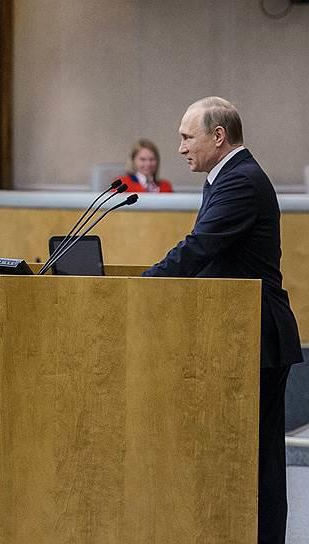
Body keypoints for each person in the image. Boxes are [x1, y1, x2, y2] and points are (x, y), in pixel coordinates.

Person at [142, 97, 302, 544]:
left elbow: (198, 248)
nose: (180, 148)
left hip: (255, 334)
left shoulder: (241, 181)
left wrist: (142, 285)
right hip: (239, 332)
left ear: (218, 136)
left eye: (186, 137)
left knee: (257, 457)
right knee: (247, 454)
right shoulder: (227, 177)